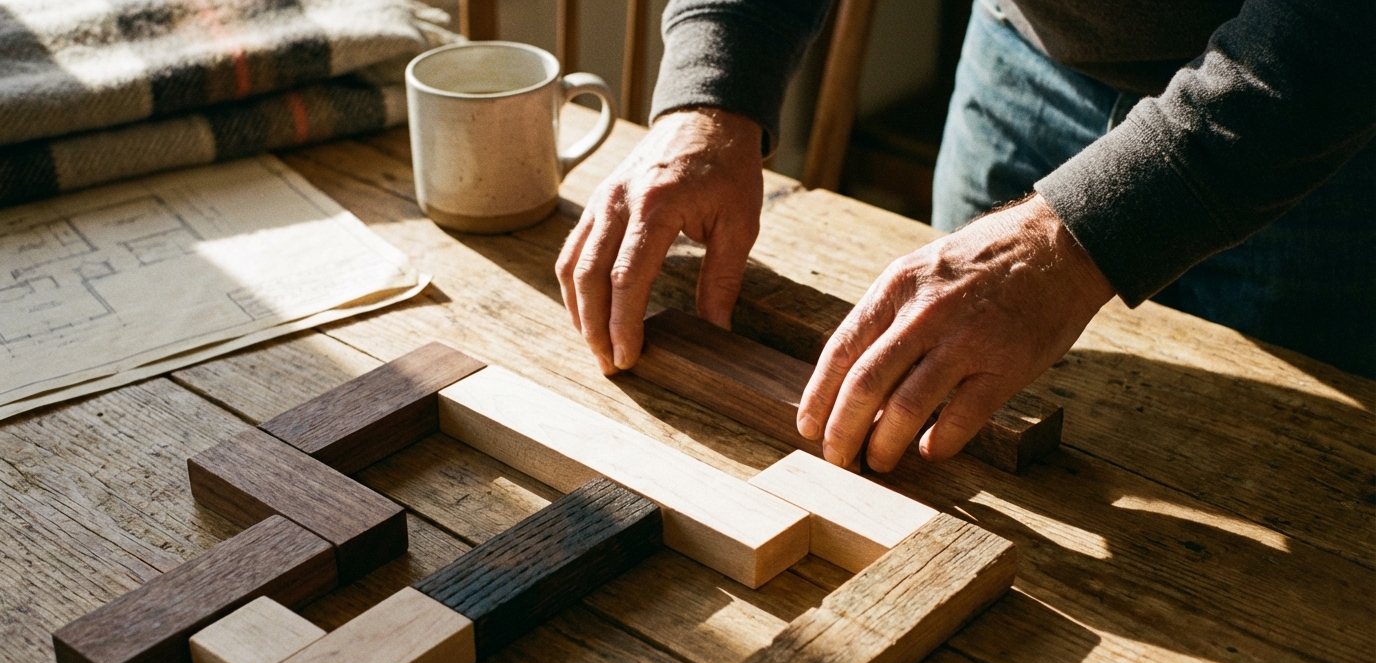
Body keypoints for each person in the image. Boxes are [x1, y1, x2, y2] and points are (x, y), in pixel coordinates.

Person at [555, 0, 1375, 472]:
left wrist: (1071, 240)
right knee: (934, 434)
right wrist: (713, 82)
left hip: (1316, 128)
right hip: (1026, 59)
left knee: (1299, 501)